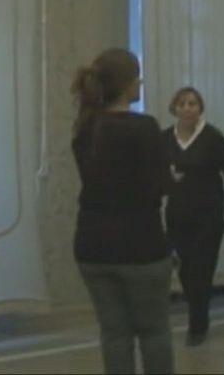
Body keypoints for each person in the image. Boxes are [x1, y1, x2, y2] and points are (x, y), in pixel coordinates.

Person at [70, 48, 174, 374]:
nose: (140, 83)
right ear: (127, 83)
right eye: (137, 77)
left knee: (114, 333)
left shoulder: (85, 128)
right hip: (140, 245)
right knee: (154, 331)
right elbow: (158, 186)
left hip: (92, 245)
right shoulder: (144, 127)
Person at [162, 86, 224, 347]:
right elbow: (154, 173)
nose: (187, 108)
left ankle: (198, 325)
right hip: (177, 214)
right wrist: (167, 178)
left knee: (202, 269)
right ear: (174, 108)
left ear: (200, 108)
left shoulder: (213, 138)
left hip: (209, 214)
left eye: (192, 103)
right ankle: (197, 312)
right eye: (182, 103)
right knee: (186, 270)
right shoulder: (165, 138)